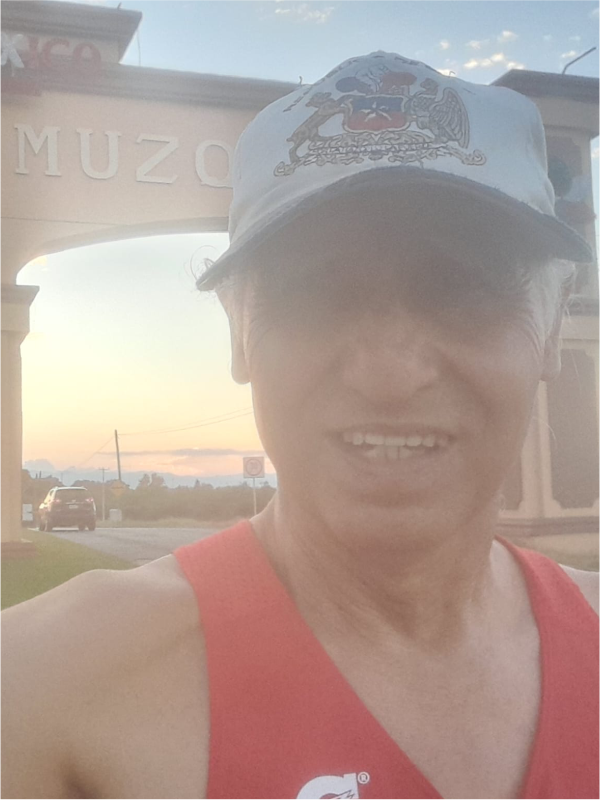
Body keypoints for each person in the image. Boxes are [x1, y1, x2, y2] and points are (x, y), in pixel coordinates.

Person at [1, 50, 600, 800]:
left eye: (464, 288)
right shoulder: (48, 688)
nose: (388, 374)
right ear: (238, 331)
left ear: (552, 327)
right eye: (315, 291)